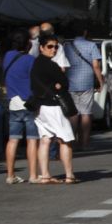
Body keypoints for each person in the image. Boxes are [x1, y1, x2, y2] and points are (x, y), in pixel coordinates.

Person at [30, 33, 78, 183]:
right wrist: (59, 83)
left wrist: (59, 83)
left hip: (40, 107)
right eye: (50, 47)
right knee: (65, 139)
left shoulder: (36, 63)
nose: (54, 50)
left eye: (56, 47)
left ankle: (45, 175)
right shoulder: (51, 65)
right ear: (41, 47)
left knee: (45, 139)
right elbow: (64, 82)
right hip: (53, 107)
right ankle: (69, 175)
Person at [2, 31, 40, 184]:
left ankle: (10, 175)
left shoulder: (8, 57)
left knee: (13, 140)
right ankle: (32, 175)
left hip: (13, 102)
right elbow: (35, 80)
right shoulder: (30, 60)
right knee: (32, 140)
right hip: (28, 102)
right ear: (28, 44)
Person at [63, 30, 103, 151]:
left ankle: (71, 141)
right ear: (85, 32)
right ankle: (84, 143)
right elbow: (96, 65)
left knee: (73, 113)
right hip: (87, 82)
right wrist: (100, 81)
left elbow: (64, 65)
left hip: (71, 83)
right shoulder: (91, 45)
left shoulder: (67, 46)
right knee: (86, 112)